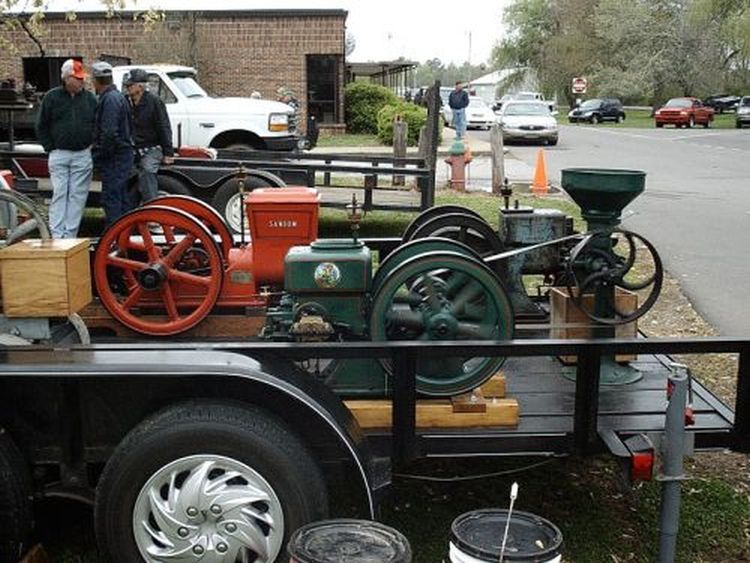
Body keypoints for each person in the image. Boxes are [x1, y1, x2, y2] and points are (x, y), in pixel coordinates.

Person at [35, 59, 97, 239]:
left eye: (82, 78)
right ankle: (56, 234)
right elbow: (41, 125)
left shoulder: (90, 99)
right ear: (67, 78)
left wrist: (91, 144)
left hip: (82, 153)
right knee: (60, 193)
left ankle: (70, 235)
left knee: (78, 196)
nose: (81, 81)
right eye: (77, 78)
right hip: (59, 153)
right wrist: (50, 147)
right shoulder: (52, 97)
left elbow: (97, 123)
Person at [91, 61, 135, 226]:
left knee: (113, 198)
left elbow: (109, 132)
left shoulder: (109, 100)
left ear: (96, 80)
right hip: (121, 155)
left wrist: (101, 154)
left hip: (115, 157)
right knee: (121, 197)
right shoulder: (118, 97)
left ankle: (115, 234)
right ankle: (123, 233)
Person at [124, 68, 174, 204]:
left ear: (140, 86)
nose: (127, 88)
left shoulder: (154, 101)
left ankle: (151, 206)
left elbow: (163, 126)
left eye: (130, 85)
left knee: (147, 170)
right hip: (133, 149)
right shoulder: (126, 102)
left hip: (152, 148)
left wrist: (168, 152)